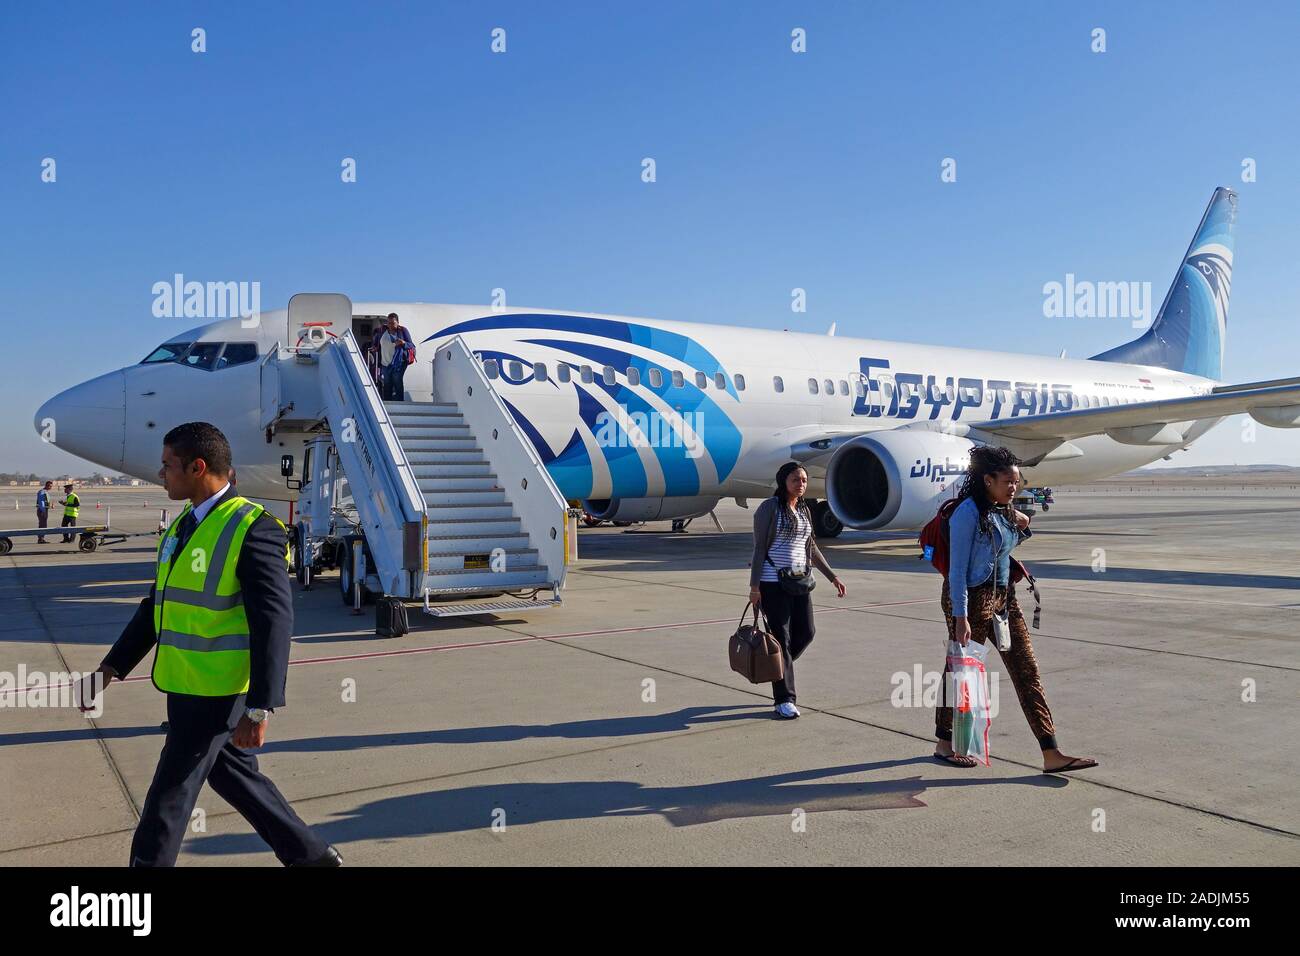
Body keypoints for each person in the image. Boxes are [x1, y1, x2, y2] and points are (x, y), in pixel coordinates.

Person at [81, 422, 340, 866]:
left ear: (197, 467)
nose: (160, 475)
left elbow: (273, 622)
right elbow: (157, 606)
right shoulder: (184, 524)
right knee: (235, 777)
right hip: (183, 684)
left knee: (169, 798)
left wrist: (260, 707)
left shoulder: (254, 529)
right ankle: (312, 858)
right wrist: (110, 668)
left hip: (217, 693)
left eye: (168, 466)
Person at [934, 445, 1098, 774]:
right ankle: (945, 743)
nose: (1014, 487)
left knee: (1027, 672)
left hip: (1003, 600)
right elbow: (956, 570)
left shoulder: (1003, 509)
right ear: (987, 480)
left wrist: (1021, 523)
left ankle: (1051, 753)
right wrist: (961, 617)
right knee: (962, 675)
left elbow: (1002, 545)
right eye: (1008, 481)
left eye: (1017, 481)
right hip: (969, 600)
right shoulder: (967, 513)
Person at [749, 462, 846, 719]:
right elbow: (759, 549)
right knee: (781, 638)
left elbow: (810, 547)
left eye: (803, 480)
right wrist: (754, 587)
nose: (801, 484)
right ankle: (784, 699)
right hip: (772, 583)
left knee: (806, 633)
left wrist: (832, 576)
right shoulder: (769, 509)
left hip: (801, 581)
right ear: (784, 482)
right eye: (795, 480)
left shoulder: (803, 509)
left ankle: (777, 666)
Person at [372, 312, 415, 401]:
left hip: (399, 362)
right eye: (389, 323)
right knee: (387, 383)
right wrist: (375, 348)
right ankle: (387, 403)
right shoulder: (382, 331)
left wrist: (403, 343)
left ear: (398, 322)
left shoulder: (402, 331)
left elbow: (411, 345)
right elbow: (377, 343)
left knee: (397, 381)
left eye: (393, 323)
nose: (390, 325)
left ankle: (399, 403)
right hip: (385, 362)